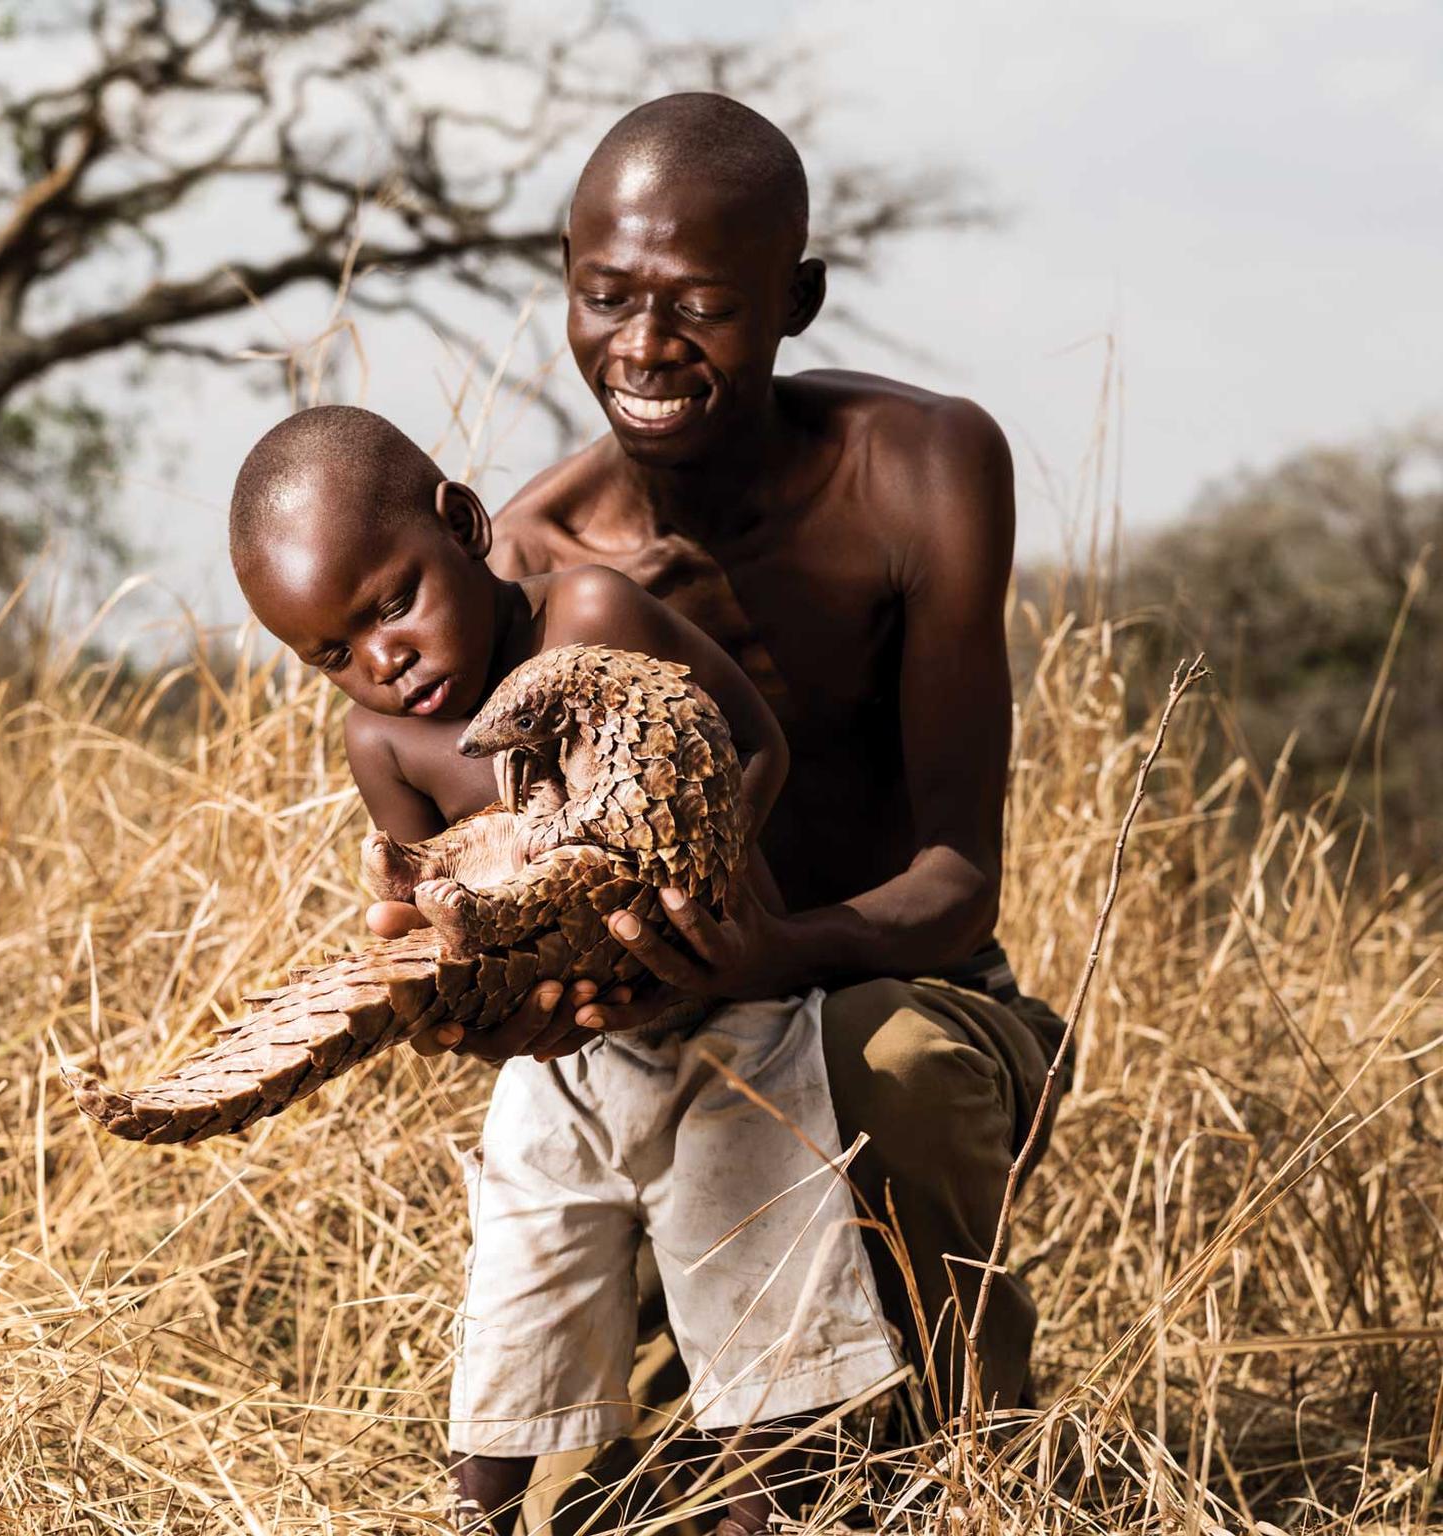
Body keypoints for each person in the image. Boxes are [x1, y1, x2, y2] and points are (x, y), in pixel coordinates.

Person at [371, 93, 1071, 1422]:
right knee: (611, 1498)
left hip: (907, 997)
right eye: (605, 295)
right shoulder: (522, 565)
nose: (643, 345)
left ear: (797, 299)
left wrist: (771, 957)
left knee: (889, 1068)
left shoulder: (920, 471)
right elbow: (535, 895)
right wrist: (502, 999)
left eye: (699, 303)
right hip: (673, 1048)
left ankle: (961, 1434)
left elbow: (957, 880)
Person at [228, 404, 902, 1536]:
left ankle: (762, 1509)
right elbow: (428, 912)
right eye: (335, 654)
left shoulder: (587, 615)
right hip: (564, 1059)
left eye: (395, 603)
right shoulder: (382, 743)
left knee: (758, 1306)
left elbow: (757, 745)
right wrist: (455, 993)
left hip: (736, 1024)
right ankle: (476, 1518)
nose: (384, 661)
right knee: (517, 1308)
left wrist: (694, 883)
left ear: (463, 522)